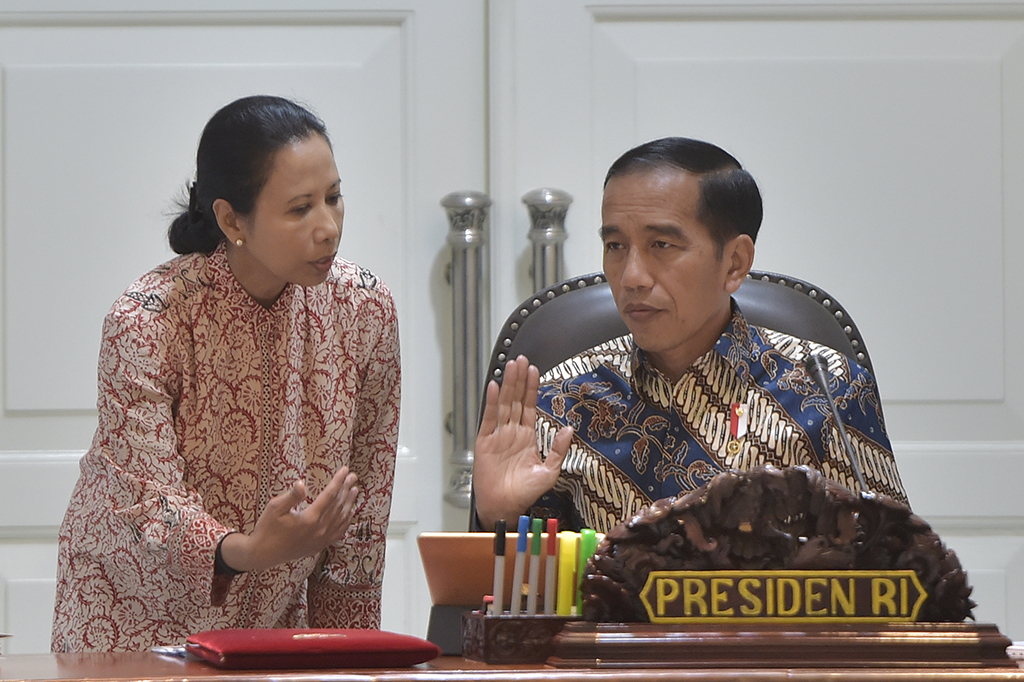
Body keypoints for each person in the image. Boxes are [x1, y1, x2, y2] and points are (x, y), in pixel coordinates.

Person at [51, 95, 401, 652]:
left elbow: (360, 517)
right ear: (230, 219)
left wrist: (347, 653)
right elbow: (149, 502)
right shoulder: (147, 321)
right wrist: (247, 551)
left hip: (271, 631)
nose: (329, 227)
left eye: (334, 198)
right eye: (300, 208)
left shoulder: (365, 311)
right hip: (134, 623)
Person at [473, 137, 906, 533]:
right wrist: (501, 516)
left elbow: (896, 578)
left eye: (662, 245)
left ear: (735, 262)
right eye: (616, 246)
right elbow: (524, 606)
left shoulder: (825, 389)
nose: (632, 277)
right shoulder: (561, 402)